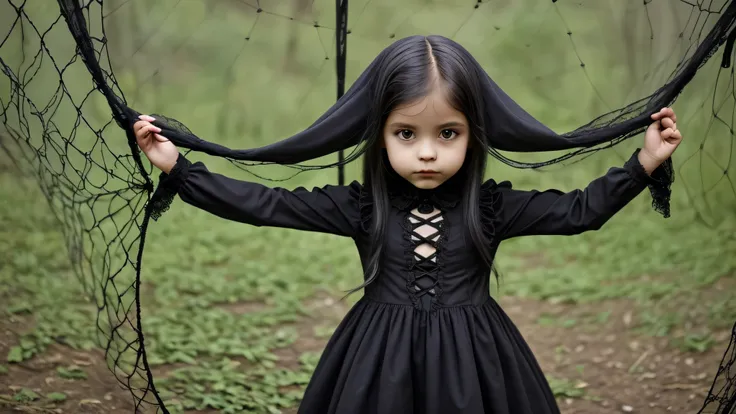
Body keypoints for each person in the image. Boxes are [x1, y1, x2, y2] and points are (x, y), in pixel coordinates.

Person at [133, 35, 682, 414]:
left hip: (476, 361)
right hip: (375, 361)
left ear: (474, 133)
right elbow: (265, 204)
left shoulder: (490, 208)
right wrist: (180, 169)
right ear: (378, 134)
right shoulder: (362, 206)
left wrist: (644, 164)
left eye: (447, 134)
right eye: (405, 134)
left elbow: (579, 211)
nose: (426, 154)